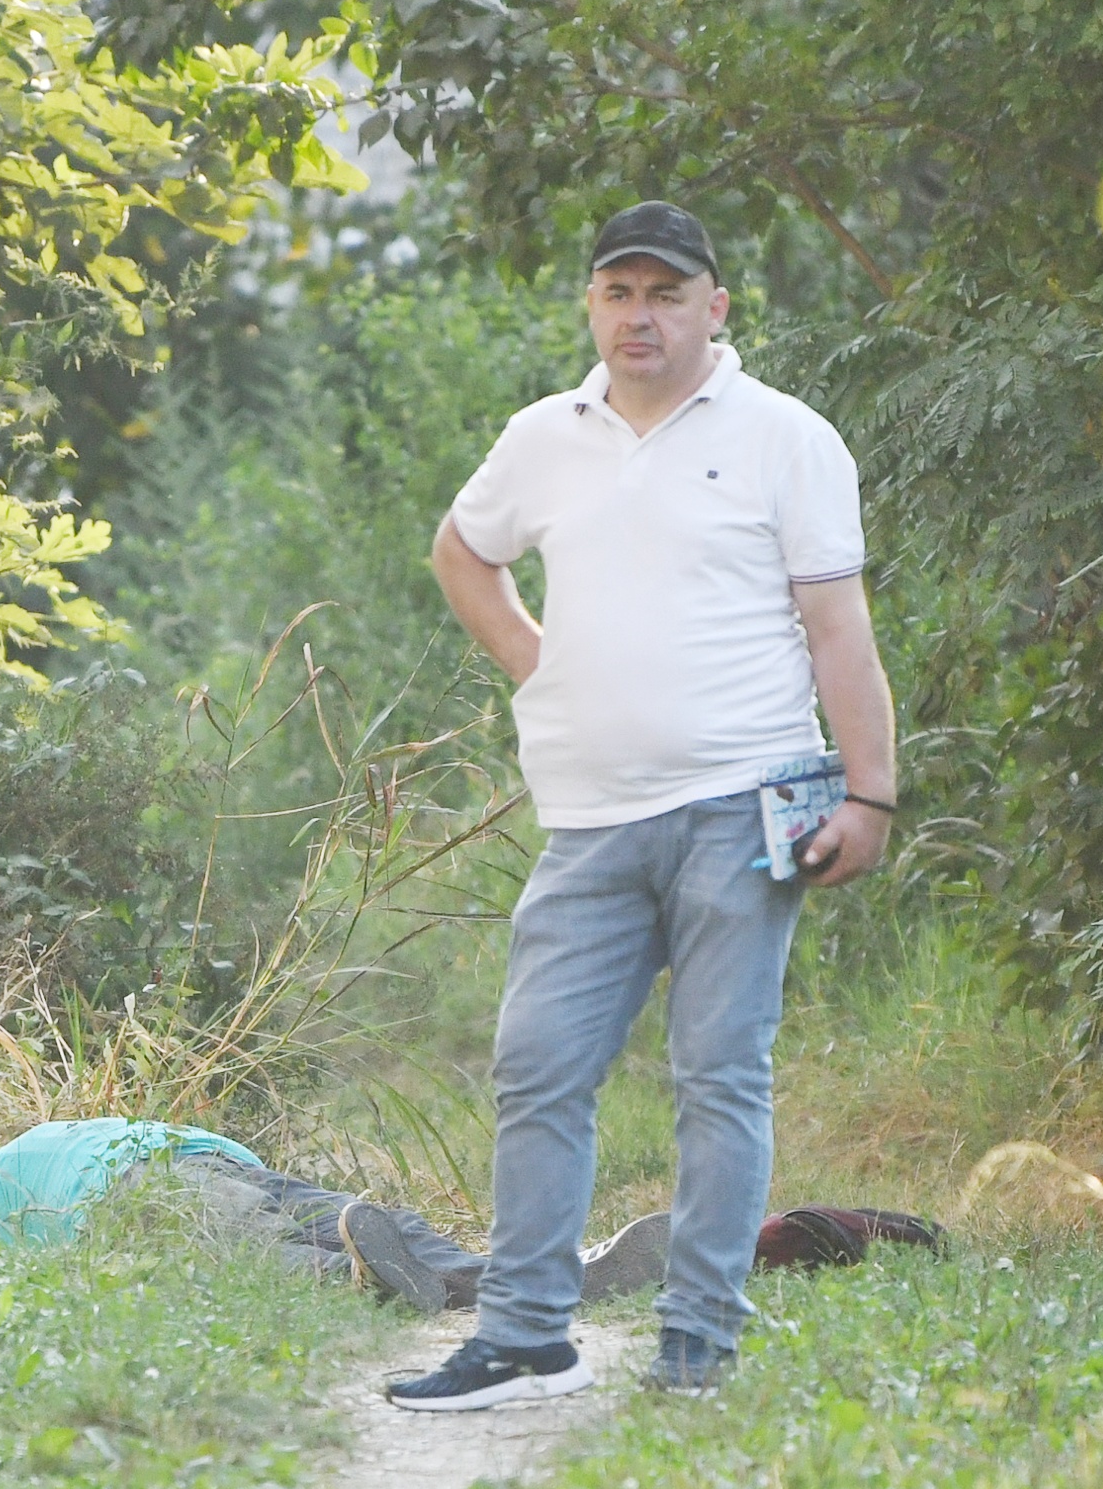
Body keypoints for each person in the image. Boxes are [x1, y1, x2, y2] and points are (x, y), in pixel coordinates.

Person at [384, 198, 899, 1408]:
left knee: (720, 1073)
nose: (640, 315)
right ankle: (523, 1336)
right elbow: (465, 551)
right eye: (618, 293)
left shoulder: (787, 437)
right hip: (589, 815)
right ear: (592, 307)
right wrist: (539, 662)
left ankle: (698, 1340)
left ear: (715, 309)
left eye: (666, 294)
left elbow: (840, 629)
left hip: (748, 797)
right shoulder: (542, 437)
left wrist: (870, 796)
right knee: (538, 1063)